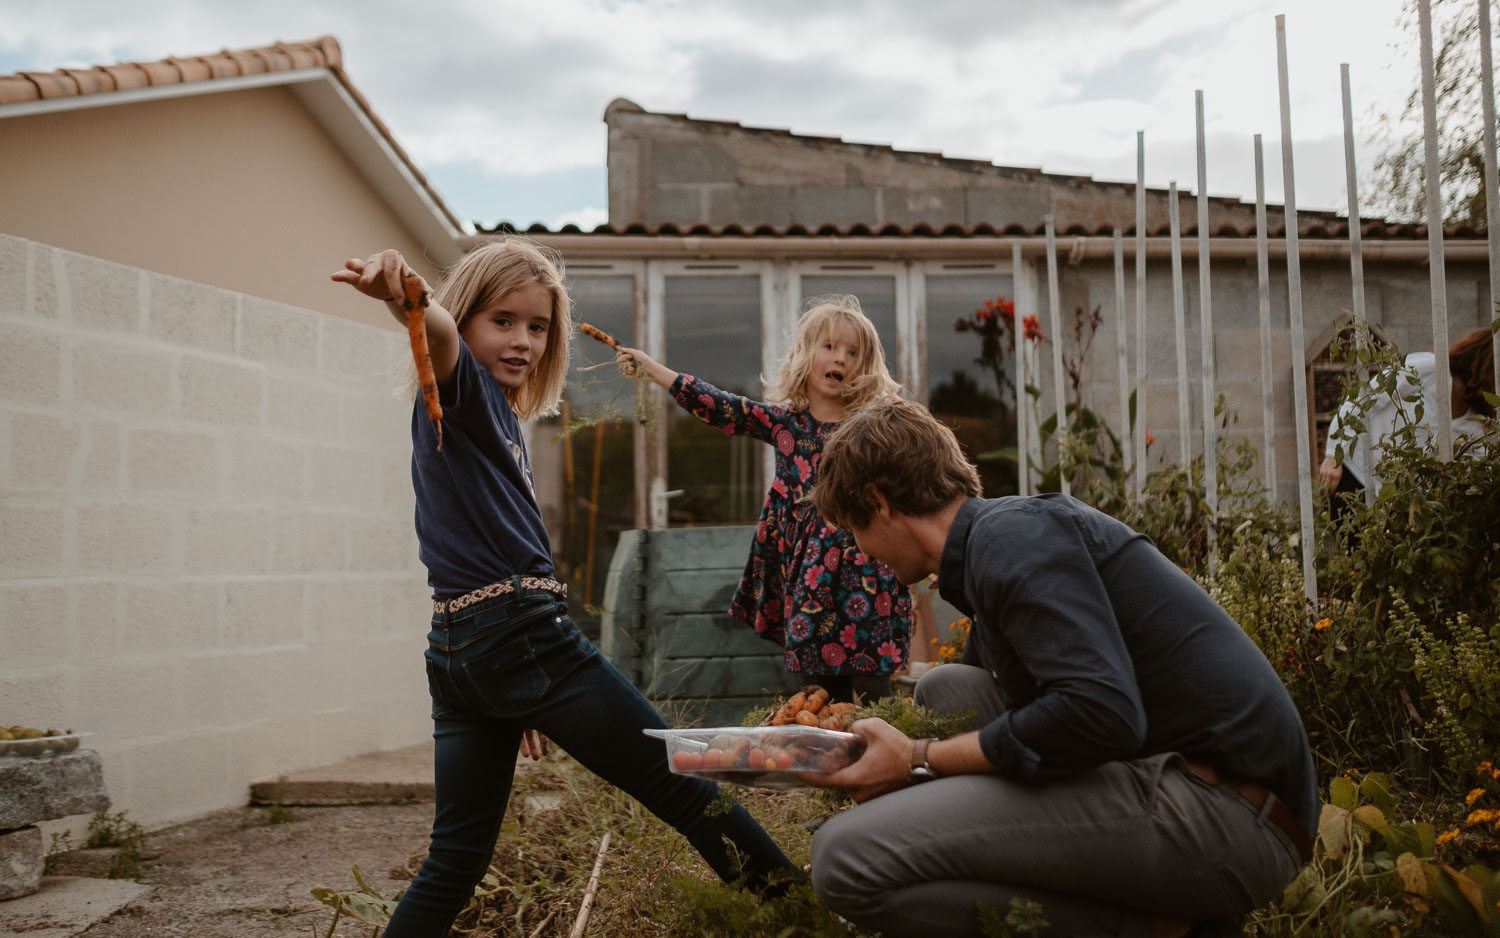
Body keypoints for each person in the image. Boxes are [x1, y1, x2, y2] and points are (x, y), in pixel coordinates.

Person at [330, 241, 798, 937]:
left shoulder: (495, 418)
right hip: (517, 636)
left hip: (463, 654)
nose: (521, 340)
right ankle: (805, 912)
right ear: (468, 319)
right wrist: (411, 297)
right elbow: (442, 333)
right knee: (685, 783)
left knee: (455, 860)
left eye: (538, 326)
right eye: (503, 321)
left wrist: (509, 693)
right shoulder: (465, 390)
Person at [800, 397, 1317, 938]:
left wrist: (916, 760)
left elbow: (1101, 712)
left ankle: (1158, 928)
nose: (858, 549)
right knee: (947, 689)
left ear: (878, 502)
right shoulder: (994, 545)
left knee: (844, 859)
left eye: (851, 529)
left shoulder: (1012, 541)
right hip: (1169, 777)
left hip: (1228, 818)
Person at [616, 295, 910, 703]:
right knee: (824, 690)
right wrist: (652, 370)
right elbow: (719, 406)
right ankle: (836, 758)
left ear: (866, 365)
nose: (840, 359)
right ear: (807, 354)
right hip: (812, 580)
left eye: (853, 352)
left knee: (874, 684)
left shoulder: (874, 428)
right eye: (829, 347)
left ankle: (888, 758)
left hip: (867, 570)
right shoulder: (785, 423)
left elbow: (906, 491)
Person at [1319, 326, 1496, 501]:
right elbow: (1363, 401)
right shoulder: (1430, 369)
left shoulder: (1476, 425)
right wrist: (1334, 454)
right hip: (1355, 472)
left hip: (1395, 499)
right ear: (1487, 368)